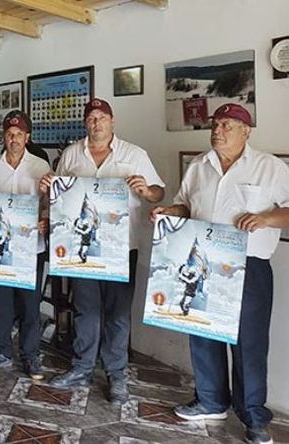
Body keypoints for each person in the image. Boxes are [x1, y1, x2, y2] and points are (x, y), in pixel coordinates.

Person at [152, 104, 289, 444]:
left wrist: (267, 219)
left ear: (246, 131)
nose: (218, 130)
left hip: (249, 265)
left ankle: (253, 416)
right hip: (202, 260)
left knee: (249, 343)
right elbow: (186, 204)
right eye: (215, 124)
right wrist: (170, 211)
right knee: (202, 333)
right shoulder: (199, 165)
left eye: (228, 125)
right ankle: (211, 401)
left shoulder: (270, 167)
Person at [39, 98, 164, 405]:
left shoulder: (134, 155)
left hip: (122, 248)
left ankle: (116, 375)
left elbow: (159, 192)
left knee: (118, 315)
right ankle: (81, 367)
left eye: (101, 117)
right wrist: (48, 188)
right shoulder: (71, 155)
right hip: (81, 249)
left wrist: (147, 191)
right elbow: (59, 196)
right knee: (86, 311)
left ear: (112, 121)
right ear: (86, 123)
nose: (96, 123)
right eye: (91, 118)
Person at [0, 110, 51, 378]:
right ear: (4, 137)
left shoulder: (41, 167)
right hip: (1, 248)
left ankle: (31, 355)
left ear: (27, 137)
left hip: (32, 248)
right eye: (9, 134)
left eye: (19, 134)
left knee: (31, 304)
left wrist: (45, 219)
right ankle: (2, 350)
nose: (14, 139)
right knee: (2, 303)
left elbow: (50, 204)